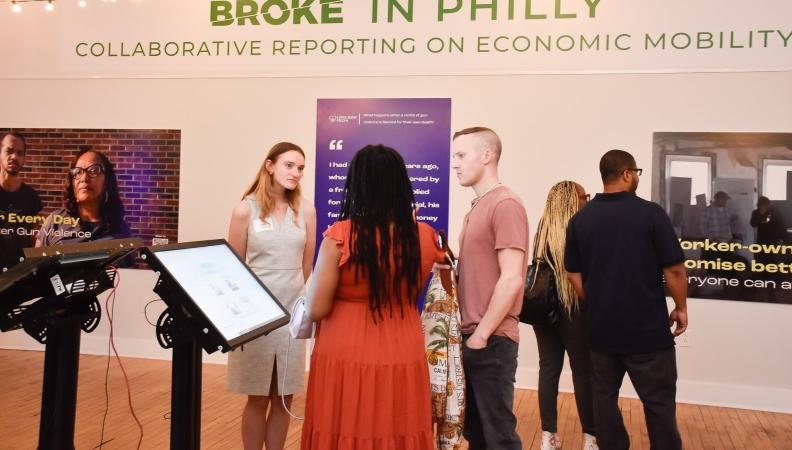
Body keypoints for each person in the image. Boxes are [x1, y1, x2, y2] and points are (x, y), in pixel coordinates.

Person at [302, 145, 444, 449]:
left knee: (342, 424)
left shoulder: (340, 235)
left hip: (345, 348)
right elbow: (413, 290)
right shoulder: (424, 236)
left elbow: (315, 308)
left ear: (357, 183)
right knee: (397, 424)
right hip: (403, 344)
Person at [564, 150, 688, 450]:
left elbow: (572, 274)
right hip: (648, 334)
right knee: (659, 405)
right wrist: (681, 307)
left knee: (603, 403)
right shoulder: (651, 213)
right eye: (637, 173)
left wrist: (595, 300)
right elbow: (673, 269)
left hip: (601, 333)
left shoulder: (580, 220)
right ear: (627, 174)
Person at [226, 142, 316, 450]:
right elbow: (234, 269)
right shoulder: (244, 209)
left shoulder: (306, 210)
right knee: (257, 396)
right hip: (255, 318)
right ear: (270, 166)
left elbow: (307, 265)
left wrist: (290, 299)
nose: (296, 173)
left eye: (301, 167)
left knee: (284, 397)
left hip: (291, 317)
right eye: (289, 165)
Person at [451, 127, 527, 449]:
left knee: (500, 439)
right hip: (476, 337)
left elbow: (512, 278)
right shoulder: (478, 205)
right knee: (479, 436)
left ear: (487, 156)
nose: (454, 163)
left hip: (491, 339)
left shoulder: (505, 203)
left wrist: (481, 335)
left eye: (461, 155)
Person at [532, 181, 598, 450]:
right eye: (586, 196)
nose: (588, 200)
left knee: (548, 370)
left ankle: (549, 437)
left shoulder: (544, 228)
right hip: (575, 311)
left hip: (542, 310)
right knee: (583, 374)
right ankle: (591, 438)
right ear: (574, 200)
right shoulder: (582, 228)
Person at [36, 149, 130, 247]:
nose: (84, 179)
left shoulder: (121, 228)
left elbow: (129, 262)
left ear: (106, 181)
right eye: (77, 172)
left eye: (94, 171)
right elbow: (35, 261)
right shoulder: (55, 221)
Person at [0, 131, 43, 271]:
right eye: (9, 151)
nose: (14, 157)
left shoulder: (31, 197)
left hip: (19, 274)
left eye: (20, 153)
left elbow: (34, 239)